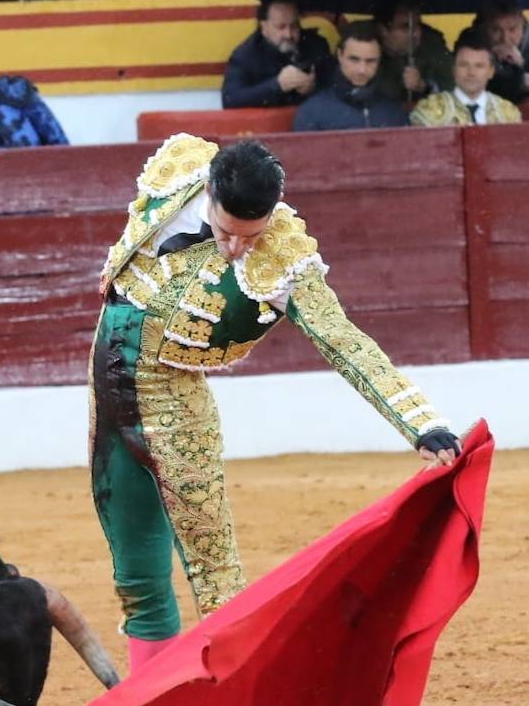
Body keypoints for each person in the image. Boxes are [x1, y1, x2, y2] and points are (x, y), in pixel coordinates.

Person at [89, 133, 460, 678]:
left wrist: (422, 424)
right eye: (226, 232)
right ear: (209, 192)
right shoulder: (178, 169)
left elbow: (344, 340)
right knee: (136, 575)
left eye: (252, 236)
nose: (237, 248)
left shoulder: (286, 258)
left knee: (216, 578)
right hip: (106, 394)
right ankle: (150, 704)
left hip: (177, 411)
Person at [293, 21, 407, 131]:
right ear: (340, 55)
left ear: (379, 60)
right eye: (354, 59)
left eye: (370, 61)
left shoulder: (394, 112)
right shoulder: (313, 112)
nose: (362, 70)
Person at [221, 0, 333, 108]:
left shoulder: (315, 44)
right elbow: (230, 99)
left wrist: (313, 87)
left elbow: (335, 84)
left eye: (294, 26)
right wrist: (277, 85)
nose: (288, 34)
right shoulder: (246, 54)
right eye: (281, 27)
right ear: (264, 27)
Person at [410, 29, 523, 126]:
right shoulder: (429, 112)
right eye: (464, 65)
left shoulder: (508, 114)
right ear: (454, 70)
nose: (471, 73)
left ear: (491, 71)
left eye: (479, 66)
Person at [373, 0, 454, 103]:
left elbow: (455, 92)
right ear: (383, 30)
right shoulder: (364, 49)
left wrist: (424, 87)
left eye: (418, 25)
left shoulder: (432, 49)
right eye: (405, 27)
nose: (416, 33)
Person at [472, 1, 529, 103]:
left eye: (512, 29)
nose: (505, 38)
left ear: (523, 28)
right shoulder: (470, 46)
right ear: (483, 30)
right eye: (496, 30)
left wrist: (520, 65)